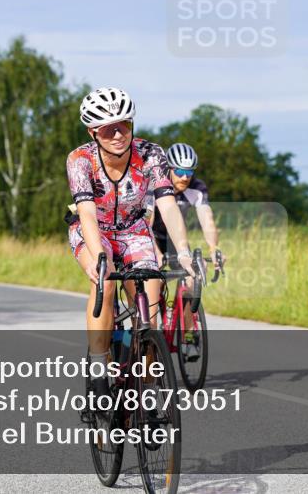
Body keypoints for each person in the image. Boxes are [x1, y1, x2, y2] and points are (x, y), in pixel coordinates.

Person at [66, 87, 196, 400]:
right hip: (93, 230)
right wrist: (101, 257)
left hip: (134, 230)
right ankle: (99, 367)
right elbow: (86, 213)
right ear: (93, 132)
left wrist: (185, 252)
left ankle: (148, 393)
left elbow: (166, 204)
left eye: (124, 125)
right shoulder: (80, 160)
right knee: (105, 284)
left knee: (149, 312)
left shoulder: (151, 154)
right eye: (109, 129)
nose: (118, 135)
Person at [146, 143, 224, 357]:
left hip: (177, 242)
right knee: (154, 283)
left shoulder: (196, 189)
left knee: (191, 280)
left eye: (189, 172)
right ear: (168, 169)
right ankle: (152, 329)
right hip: (151, 240)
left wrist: (214, 247)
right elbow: (146, 223)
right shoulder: (156, 186)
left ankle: (189, 334)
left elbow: (207, 220)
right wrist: (157, 254)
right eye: (179, 171)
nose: (184, 177)